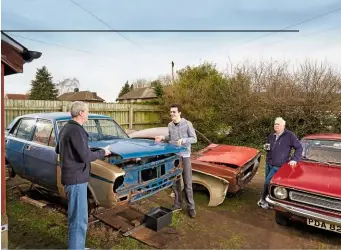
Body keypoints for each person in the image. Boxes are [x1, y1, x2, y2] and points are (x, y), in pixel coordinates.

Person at [55, 101, 111, 249]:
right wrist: (102, 152)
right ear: (81, 113)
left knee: (77, 217)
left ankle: (78, 246)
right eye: (87, 111)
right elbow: (85, 156)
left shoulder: (65, 128)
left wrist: (83, 148)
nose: (88, 113)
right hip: (76, 180)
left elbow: (58, 149)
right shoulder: (77, 130)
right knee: (79, 219)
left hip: (70, 178)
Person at [155, 104, 197, 218]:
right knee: (175, 182)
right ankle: (178, 204)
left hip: (185, 156)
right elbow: (171, 137)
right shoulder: (170, 125)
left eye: (174, 112)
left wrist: (184, 140)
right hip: (174, 157)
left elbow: (194, 139)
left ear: (179, 113)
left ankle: (191, 208)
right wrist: (163, 138)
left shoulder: (187, 124)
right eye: (171, 112)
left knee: (188, 183)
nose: (172, 114)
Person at [257, 117, 303, 209]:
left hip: (279, 165)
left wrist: (294, 159)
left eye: (278, 124)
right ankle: (270, 200)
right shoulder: (272, 135)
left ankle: (264, 200)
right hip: (268, 163)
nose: (276, 126)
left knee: (268, 183)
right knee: (268, 183)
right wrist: (267, 148)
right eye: (275, 124)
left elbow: (299, 148)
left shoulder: (290, 135)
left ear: (283, 126)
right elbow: (268, 146)